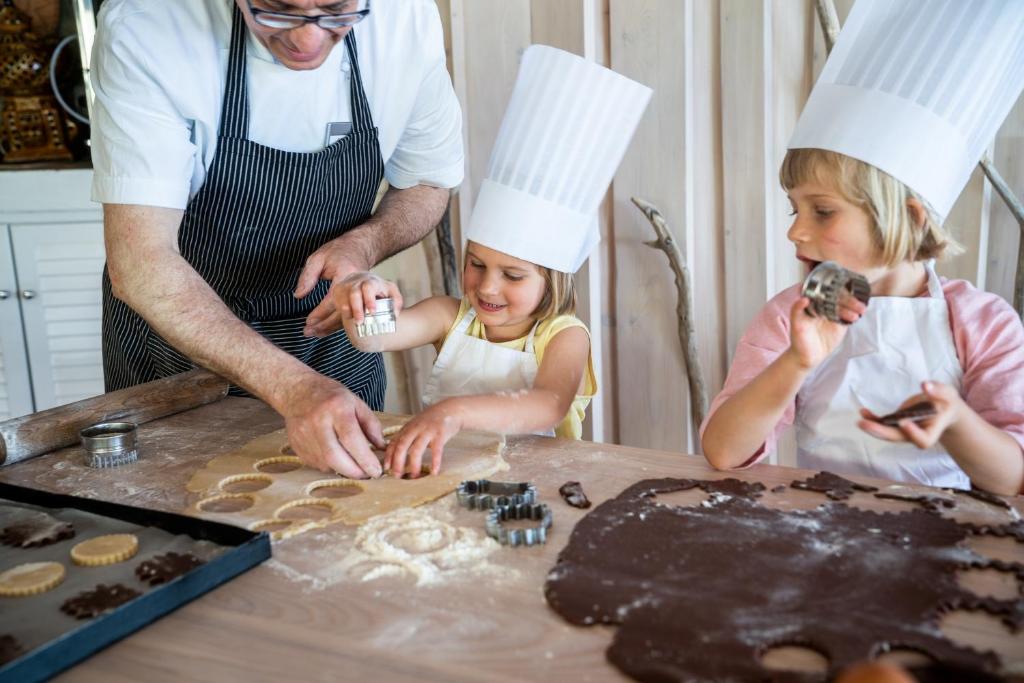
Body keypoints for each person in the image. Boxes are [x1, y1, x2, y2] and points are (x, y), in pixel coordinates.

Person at [89, 0, 463, 479]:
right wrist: (293, 389)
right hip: (181, 349)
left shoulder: (404, 18)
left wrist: (364, 244)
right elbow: (140, 262)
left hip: (332, 343)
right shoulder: (149, 26)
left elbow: (429, 182)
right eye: (276, 10)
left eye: (335, 12)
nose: (307, 39)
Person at [701, 0, 1024, 495]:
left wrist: (956, 420)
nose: (795, 232)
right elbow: (723, 451)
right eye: (795, 210)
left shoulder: (983, 323)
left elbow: (1015, 477)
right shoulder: (789, 316)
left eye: (823, 211)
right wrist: (797, 361)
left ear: (911, 218)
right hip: (823, 531)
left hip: (951, 543)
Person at [310, 45, 650, 477]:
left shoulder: (563, 337)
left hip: (539, 486)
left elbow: (548, 406)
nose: (487, 287)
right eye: (477, 263)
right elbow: (372, 338)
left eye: (512, 275)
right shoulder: (449, 316)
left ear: (553, 281)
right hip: (450, 475)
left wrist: (453, 412)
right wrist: (365, 298)